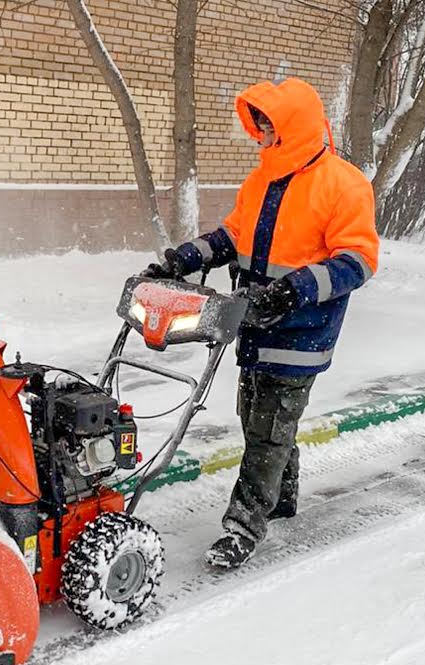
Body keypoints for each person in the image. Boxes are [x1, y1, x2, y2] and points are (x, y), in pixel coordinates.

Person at [142, 78, 380, 569]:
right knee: (259, 420)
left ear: (294, 127)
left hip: (301, 331)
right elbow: (233, 236)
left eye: (270, 127)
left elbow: (358, 260)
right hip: (252, 322)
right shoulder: (262, 181)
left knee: (269, 429)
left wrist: (295, 288)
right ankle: (282, 496)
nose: (262, 135)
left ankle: (244, 526)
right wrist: (184, 259)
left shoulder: (343, 183)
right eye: (260, 126)